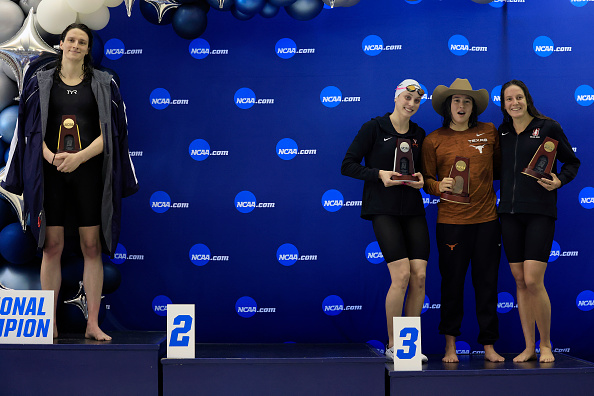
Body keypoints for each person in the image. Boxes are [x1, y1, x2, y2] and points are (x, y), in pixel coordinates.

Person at [2, 23, 138, 340]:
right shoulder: (40, 81)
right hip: (50, 176)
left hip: (89, 175)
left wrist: (79, 157)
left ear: (88, 49)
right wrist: (49, 156)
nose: (76, 45)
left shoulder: (105, 83)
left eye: (82, 41)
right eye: (71, 40)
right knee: (52, 247)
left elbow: (114, 135)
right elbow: (28, 130)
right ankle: (48, 322)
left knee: (92, 247)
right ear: (61, 44)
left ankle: (92, 324)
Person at [342, 79, 429, 362]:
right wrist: (378, 174)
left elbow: (424, 174)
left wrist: (421, 181)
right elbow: (348, 165)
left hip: (413, 210)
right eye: (407, 98)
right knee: (401, 276)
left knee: (419, 277)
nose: (411, 104)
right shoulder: (374, 127)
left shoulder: (419, 133)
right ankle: (395, 345)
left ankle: (410, 347)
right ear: (396, 97)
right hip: (383, 209)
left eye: (416, 101)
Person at [421, 78, 503, 363]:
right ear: (447, 105)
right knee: (452, 285)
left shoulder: (489, 132)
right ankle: (450, 347)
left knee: (487, 285)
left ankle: (489, 346)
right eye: (456, 100)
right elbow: (426, 180)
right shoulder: (433, 139)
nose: (461, 105)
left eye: (467, 101)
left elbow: (503, 169)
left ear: (474, 107)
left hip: (487, 221)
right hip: (451, 222)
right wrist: (436, 186)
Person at [498, 80, 580, 363]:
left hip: (540, 213)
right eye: (508, 99)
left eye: (518, 97)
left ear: (527, 99)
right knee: (519, 281)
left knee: (533, 280)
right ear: (504, 104)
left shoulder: (548, 127)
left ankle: (546, 345)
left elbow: (572, 162)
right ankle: (528, 346)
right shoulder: (503, 132)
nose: (514, 103)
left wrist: (560, 180)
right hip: (508, 215)